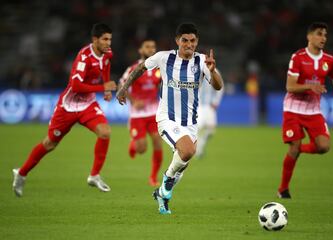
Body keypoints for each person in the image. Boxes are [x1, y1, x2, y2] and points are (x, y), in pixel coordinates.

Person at [116, 23, 223, 214]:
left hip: (190, 122)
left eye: (192, 41)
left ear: (197, 42)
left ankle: (163, 195)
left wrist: (213, 71)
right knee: (188, 151)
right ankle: (165, 181)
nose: (188, 44)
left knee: (183, 163)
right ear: (177, 41)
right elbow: (141, 68)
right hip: (167, 119)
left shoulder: (202, 61)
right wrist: (124, 89)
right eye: (184, 40)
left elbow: (217, 86)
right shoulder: (164, 57)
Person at [12, 23, 117, 197]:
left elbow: (105, 65)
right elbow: (76, 86)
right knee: (50, 143)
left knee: (105, 132)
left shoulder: (107, 53)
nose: (108, 43)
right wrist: (102, 87)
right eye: (105, 39)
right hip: (68, 106)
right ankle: (21, 173)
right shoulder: (84, 57)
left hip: (87, 105)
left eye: (110, 39)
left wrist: (106, 88)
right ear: (95, 40)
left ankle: (94, 175)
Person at [277, 22, 333, 199]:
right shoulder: (298, 57)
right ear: (309, 37)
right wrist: (310, 86)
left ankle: (300, 149)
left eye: (325, 35)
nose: (323, 38)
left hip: (314, 111)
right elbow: (290, 86)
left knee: (324, 147)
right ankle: (283, 190)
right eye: (319, 34)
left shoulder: (329, 60)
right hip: (293, 109)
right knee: (293, 146)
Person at [119, 39, 163, 186]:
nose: (151, 49)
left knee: (157, 141)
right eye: (147, 47)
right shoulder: (134, 68)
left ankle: (153, 177)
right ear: (141, 50)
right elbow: (121, 84)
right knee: (142, 149)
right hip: (137, 115)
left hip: (154, 114)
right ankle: (133, 145)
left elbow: (159, 85)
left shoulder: (158, 69)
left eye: (153, 47)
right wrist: (133, 101)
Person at [195, 68, 224, 158]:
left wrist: (216, 102)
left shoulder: (214, 71)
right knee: (197, 129)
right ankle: (198, 151)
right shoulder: (194, 70)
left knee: (211, 131)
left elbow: (221, 87)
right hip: (198, 106)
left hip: (209, 106)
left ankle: (200, 145)